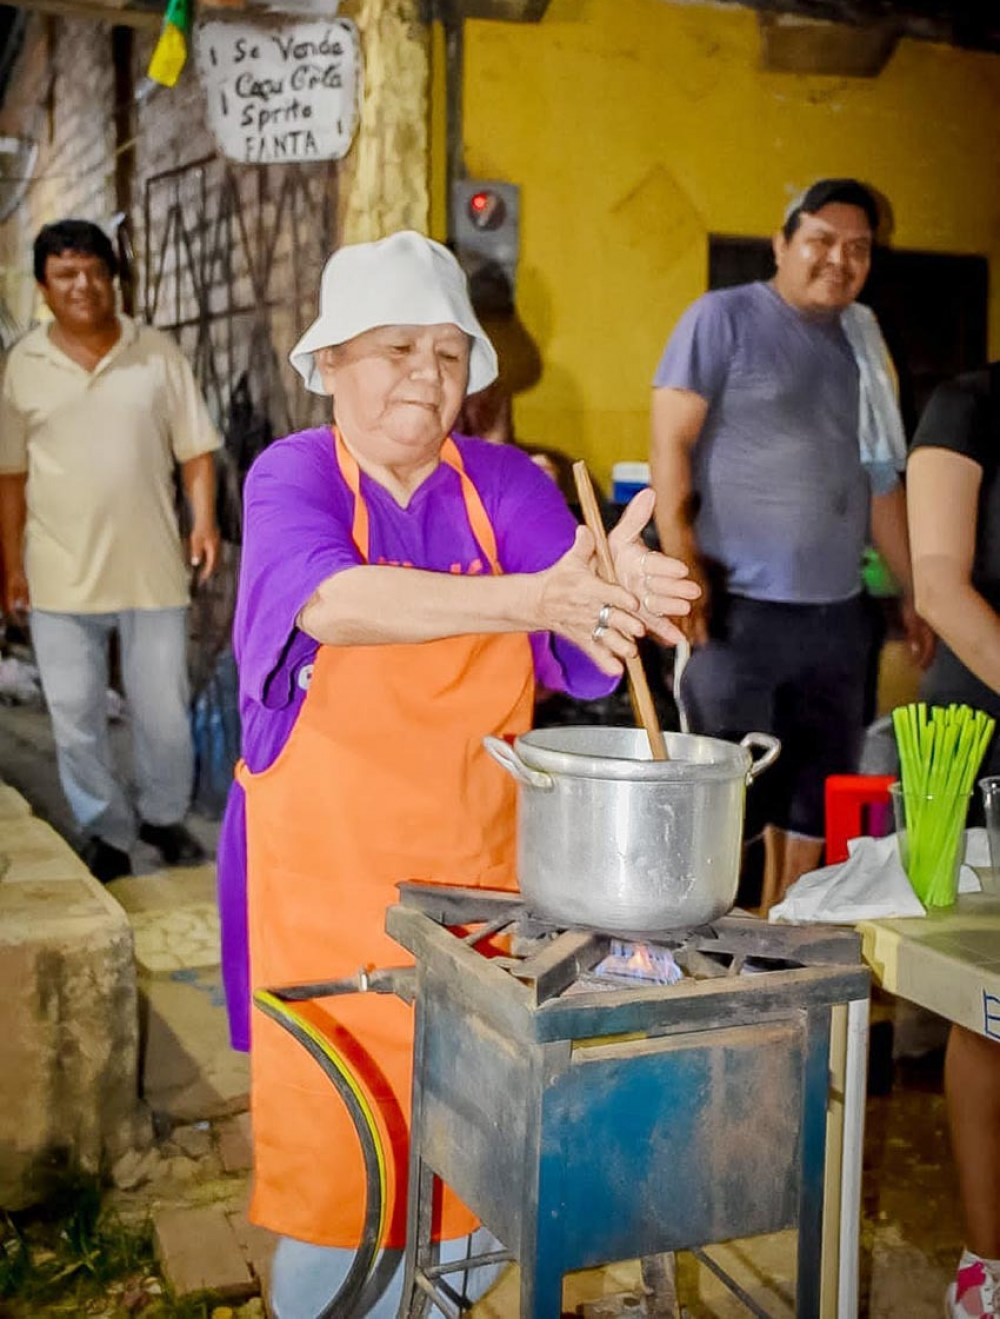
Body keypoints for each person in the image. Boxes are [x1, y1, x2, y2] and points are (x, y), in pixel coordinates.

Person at [218, 230, 699, 1319]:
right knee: (348, 1168)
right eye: (394, 348)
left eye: (446, 353)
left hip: (474, 890)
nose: (425, 377)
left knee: (476, 1161)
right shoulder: (290, 474)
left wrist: (616, 591)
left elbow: (576, 631)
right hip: (326, 891)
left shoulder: (508, 483)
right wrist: (532, 596)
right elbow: (331, 602)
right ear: (330, 362)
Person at [650, 178, 933, 913]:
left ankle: (776, 962)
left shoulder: (863, 346)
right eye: (821, 240)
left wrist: (915, 591)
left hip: (837, 619)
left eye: (859, 248)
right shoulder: (723, 319)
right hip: (736, 610)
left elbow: (880, 482)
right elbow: (670, 442)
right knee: (723, 801)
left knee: (813, 800)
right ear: (782, 244)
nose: (840, 258)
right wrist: (683, 564)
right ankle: (696, 956)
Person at [0, 220, 221, 882]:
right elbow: (10, 476)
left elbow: (196, 450)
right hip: (57, 571)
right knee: (74, 714)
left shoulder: (156, 353)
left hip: (151, 566)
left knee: (163, 713)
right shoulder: (24, 366)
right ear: (43, 286)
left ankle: (162, 813)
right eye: (66, 274)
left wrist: (203, 523)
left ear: (114, 277)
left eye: (95, 271)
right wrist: (9, 562)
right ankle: (104, 828)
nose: (84, 286)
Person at [907, 364, 1000, 1318]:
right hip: (979, 742)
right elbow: (938, 586)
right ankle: (989, 1260)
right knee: (994, 1008)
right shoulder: (970, 405)